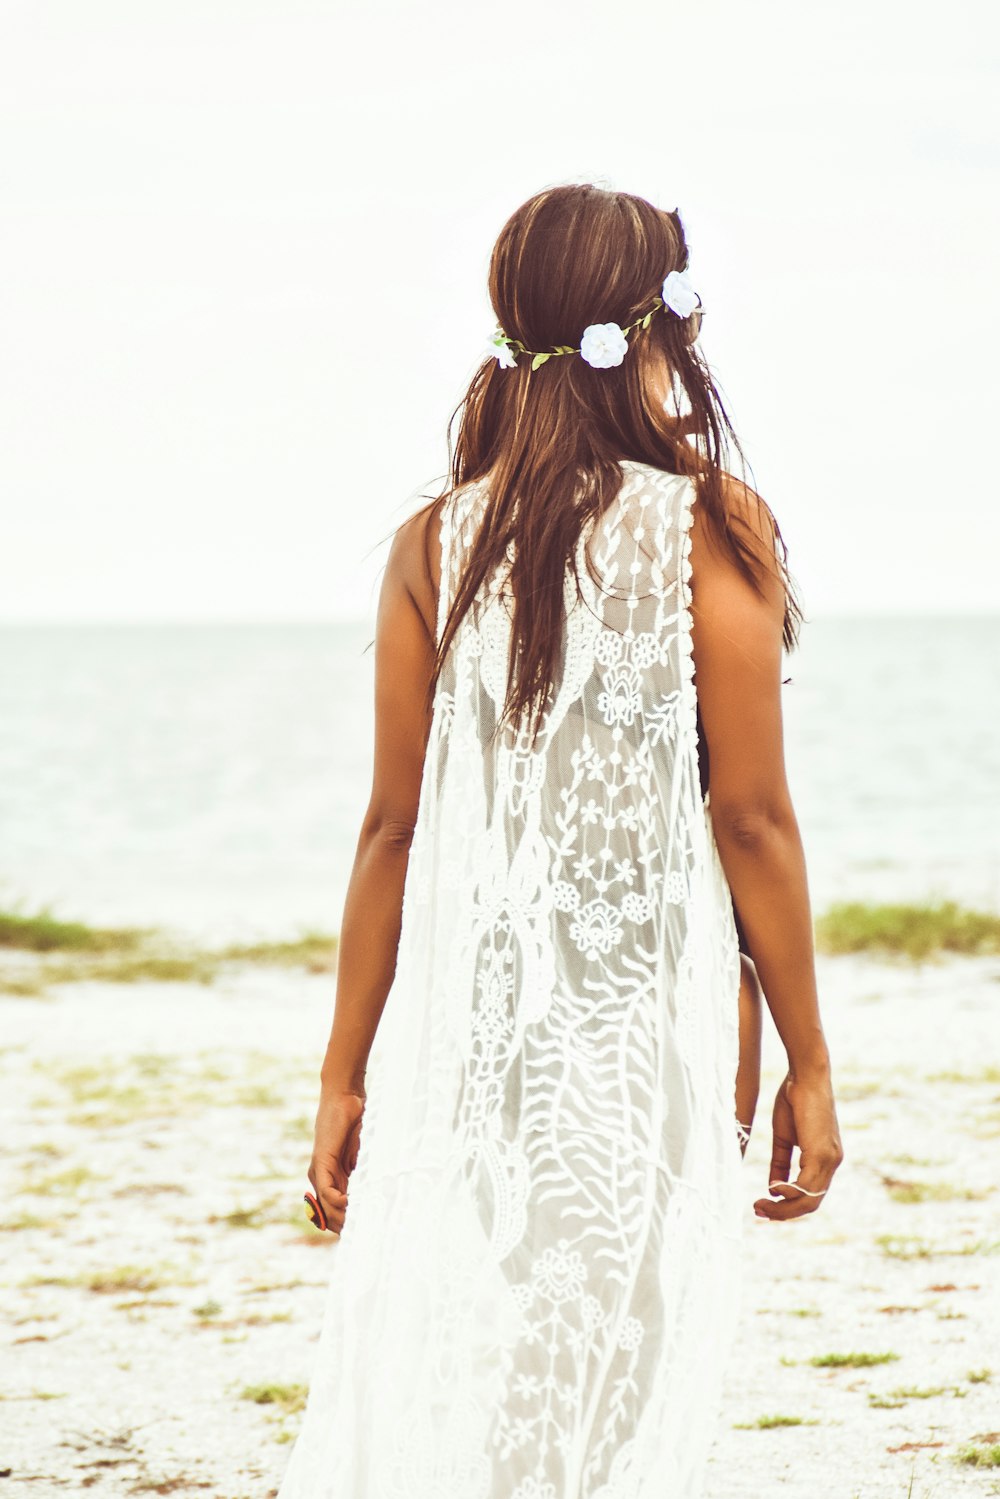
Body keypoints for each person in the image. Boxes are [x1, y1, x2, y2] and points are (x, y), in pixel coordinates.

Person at [278, 183, 843, 1499]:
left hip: (480, 1034)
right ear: (657, 329)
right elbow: (749, 815)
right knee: (616, 1369)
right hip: (645, 1030)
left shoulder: (436, 541)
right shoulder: (710, 523)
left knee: (510, 1345)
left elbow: (391, 827)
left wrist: (343, 1074)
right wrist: (810, 1056)